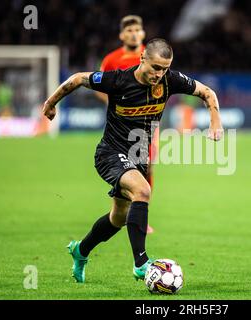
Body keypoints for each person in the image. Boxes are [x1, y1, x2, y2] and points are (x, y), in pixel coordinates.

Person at [42, 38, 223, 283]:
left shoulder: (170, 81)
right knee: (143, 190)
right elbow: (77, 79)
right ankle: (141, 263)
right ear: (142, 59)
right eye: (156, 67)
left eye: (165, 68)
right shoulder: (118, 80)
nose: (160, 74)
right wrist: (51, 103)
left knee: (117, 218)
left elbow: (207, 92)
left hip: (138, 157)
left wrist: (215, 121)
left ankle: (80, 251)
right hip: (109, 153)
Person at [95, 15, 155, 234]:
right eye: (128, 30)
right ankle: (126, 206)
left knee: (147, 166)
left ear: (143, 33)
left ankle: (142, 214)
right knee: (125, 164)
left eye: (137, 29)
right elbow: (101, 87)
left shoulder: (151, 57)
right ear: (121, 35)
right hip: (121, 125)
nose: (133, 33)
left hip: (147, 124)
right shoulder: (112, 60)